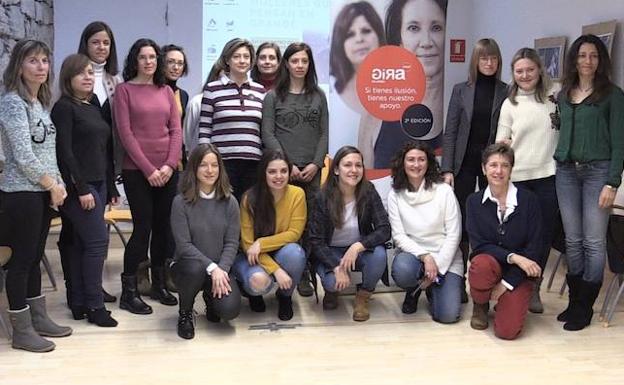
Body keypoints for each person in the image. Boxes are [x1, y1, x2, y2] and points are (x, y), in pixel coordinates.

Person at [0, 39, 72, 352]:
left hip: (41, 192)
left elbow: (48, 152)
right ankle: (21, 330)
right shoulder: (12, 103)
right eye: (33, 60)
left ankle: (38, 318)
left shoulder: (38, 103)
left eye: (44, 60)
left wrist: (58, 183)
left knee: (33, 261)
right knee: (20, 261)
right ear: (19, 65)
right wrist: (51, 184)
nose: (41, 66)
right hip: (21, 194)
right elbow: (23, 155)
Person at [554, 34, 624, 331]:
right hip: (567, 172)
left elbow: (620, 142)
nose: (587, 61)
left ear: (601, 60)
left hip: (598, 173)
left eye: (593, 56)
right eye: (582, 55)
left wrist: (612, 182)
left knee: (594, 242)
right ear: (574, 59)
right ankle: (573, 300)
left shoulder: (613, 95)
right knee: (573, 240)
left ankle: (585, 306)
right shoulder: (564, 94)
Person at [113, 38, 182, 314]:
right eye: (143, 57)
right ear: (135, 60)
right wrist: (149, 170)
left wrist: (168, 165)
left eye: (153, 57)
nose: (149, 61)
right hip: (137, 172)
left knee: (164, 229)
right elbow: (125, 134)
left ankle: (159, 285)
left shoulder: (166, 90)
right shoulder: (124, 90)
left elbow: (176, 130)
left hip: (167, 171)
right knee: (142, 230)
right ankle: (128, 293)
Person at [51, 54, 119, 327]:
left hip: (100, 184)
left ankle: (78, 301)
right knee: (96, 244)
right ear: (69, 78)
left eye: (91, 72)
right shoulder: (64, 108)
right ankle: (95, 306)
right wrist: (80, 188)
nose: (88, 77)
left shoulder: (92, 105)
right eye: (82, 73)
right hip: (80, 187)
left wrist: (111, 185)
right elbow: (64, 153)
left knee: (82, 243)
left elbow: (103, 150)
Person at [441, 38, 508, 302]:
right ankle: (459, 280)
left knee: (490, 220)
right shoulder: (461, 90)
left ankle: (484, 279)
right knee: (460, 220)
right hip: (463, 164)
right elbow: (450, 132)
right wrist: (447, 168)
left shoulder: (507, 91)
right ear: (476, 61)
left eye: (493, 58)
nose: (489, 63)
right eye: (484, 58)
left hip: (493, 165)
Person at [261, 42, 328, 297]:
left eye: (304, 61)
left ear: (309, 64)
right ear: (286, 64)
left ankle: (304, 275)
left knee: (311, 222)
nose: (300, 65)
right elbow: (267, 133)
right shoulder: (273, 96)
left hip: (311, 170)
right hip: (282, 172)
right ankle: (286, 269)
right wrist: (286, 165)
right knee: (285, 223)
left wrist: (315, 163)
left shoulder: (318, 95)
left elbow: (324, 134)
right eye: (295, 61)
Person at [495, 48, 560, 314]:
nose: (525, 75)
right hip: (519, 179)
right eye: (519, 71)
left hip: (549, 177)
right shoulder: (510, 104)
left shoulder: (554, 97)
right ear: (513, 74)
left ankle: (534, 286)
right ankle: (512, 284)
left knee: (542, 237)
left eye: (529, 70)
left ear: (539, 70)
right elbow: (500, 141)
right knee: (516, 236)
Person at [466, 143, 543, 340]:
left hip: (519, 274)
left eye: (504, 165)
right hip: (491, 265)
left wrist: (507, 284)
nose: (498, 171)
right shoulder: (474, 202)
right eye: (493, 165)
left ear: (511, 170)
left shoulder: (529, 201)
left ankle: (506, 299)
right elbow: (479, 245)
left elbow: (534, 249)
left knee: (507, 332)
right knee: (480, 264)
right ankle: (481, 304)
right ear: (484, 169)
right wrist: (514, 257)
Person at [359, 0, 447, 168]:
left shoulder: (456, 104)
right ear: (399, 40)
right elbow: (365, 186)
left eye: (436, 28)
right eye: (414, 28)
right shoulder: (375, 112)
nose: (426, 42)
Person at [308, 146, 390, 321]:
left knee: (379, 255)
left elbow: (384, 229)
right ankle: (331, 292)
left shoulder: (368, 191)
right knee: (332, 283)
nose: (354, 170)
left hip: (358, 250)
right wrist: (336, 266)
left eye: (358, 165)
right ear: (336, 169)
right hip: (331, 251)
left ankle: (363, 296)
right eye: (347, 165)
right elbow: (315, 240)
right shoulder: (322, 197)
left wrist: (358, 246)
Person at [170, 144, 241, 339]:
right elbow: (184, 246)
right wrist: (212, 268)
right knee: (194, 269)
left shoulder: (230, 202)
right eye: (203, 165)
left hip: (218, 270)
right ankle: (185, 312)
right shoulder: (180, 202)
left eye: (214, 165)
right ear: (194, 168)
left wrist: (222, 269)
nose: (210, 170)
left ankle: (211, 297)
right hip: (188, 268)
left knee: (229, 310)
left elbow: (232, 243)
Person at [75, 20, 123, 303]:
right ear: (86, 44)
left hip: (104, 164)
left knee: (96, 234)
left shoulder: (115, 80)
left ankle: (91, 288)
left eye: (106, 42)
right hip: (80, 168)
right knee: (81, 236)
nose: (101, 47)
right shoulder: (73, 76)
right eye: (96, 42)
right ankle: (80, 292)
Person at [389, 141, 463, 324]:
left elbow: (454, 235)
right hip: (415, 256)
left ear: (428, 162)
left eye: (421, 159)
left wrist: (436, 268)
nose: (416, 165)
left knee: (447, 316)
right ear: (403, 163)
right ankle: (414, 289)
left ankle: (431, 286)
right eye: (411, 160)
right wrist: (426, 257)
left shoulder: (444, 191)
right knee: (403, 269)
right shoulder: (395, 194)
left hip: (446, 257)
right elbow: (398, 236)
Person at [232, 150, 307, 321]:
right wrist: (276, 270)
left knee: (295, 253)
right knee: (258, 282)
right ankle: (253, 293)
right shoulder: (249, 198)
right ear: (263, 173)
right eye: (272, 171)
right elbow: (247, 244)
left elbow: (294, 233)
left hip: (281, 252)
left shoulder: (297, 194)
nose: (278, 176)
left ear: (289, 172)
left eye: (283, 171)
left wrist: (262, 243)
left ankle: (285, 296)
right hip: (251, 257)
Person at [198, 38, 266, 202]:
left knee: (248, 209)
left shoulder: (260, 91)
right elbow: (205, 129)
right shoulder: (212, 89)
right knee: (223, 207)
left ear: (251, 61)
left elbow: (263, 130)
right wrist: (207, 160)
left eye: (246, 57)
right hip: (222, 163)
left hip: (253, 163)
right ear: (227, 59)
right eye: (236, 56)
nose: (242, 61)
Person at [330, 1, 385, 114]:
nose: (359, 39)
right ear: (340, 44)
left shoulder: (400, 84)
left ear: (379, 36)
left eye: (366, 31)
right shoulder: (330, 88)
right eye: (350, 34)